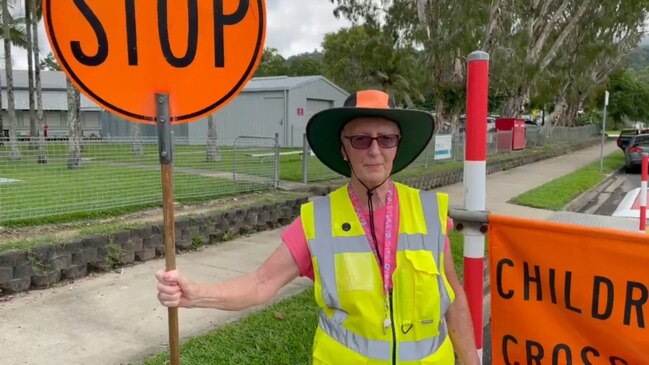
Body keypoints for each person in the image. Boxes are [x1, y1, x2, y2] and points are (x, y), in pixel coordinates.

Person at [156, 90, 480, 364]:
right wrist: (197, 294)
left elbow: (454, 301)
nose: (375, 150)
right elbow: (260, 283)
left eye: (387, 138)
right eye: (361, 139)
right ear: (343, 149)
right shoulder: (317, 221)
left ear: (397, 145)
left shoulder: (428, 212)